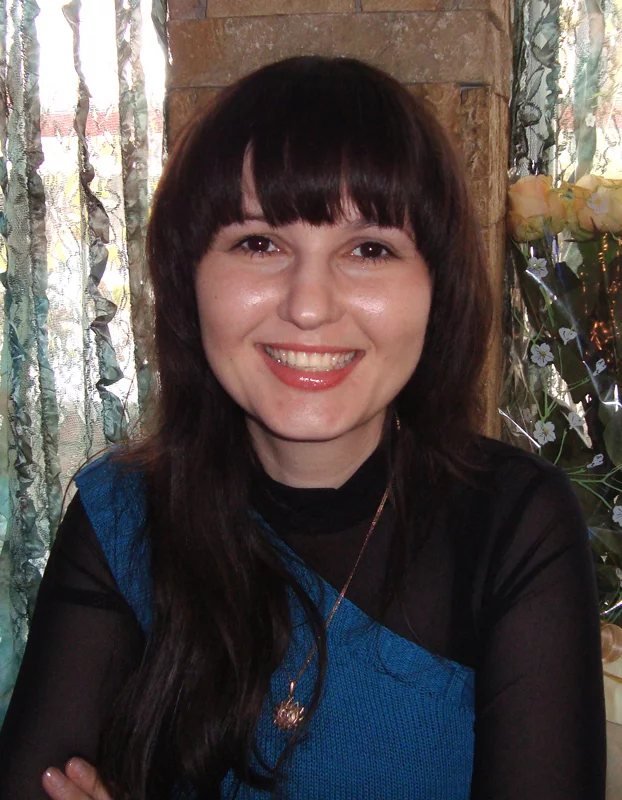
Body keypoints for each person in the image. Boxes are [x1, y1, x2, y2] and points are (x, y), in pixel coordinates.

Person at [0, 56, 606, 800]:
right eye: (260, 243)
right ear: (188, 279)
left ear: (437, 292)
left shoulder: (515, 525)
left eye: (370, 249)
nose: (309, 305)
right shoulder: (122, 518)